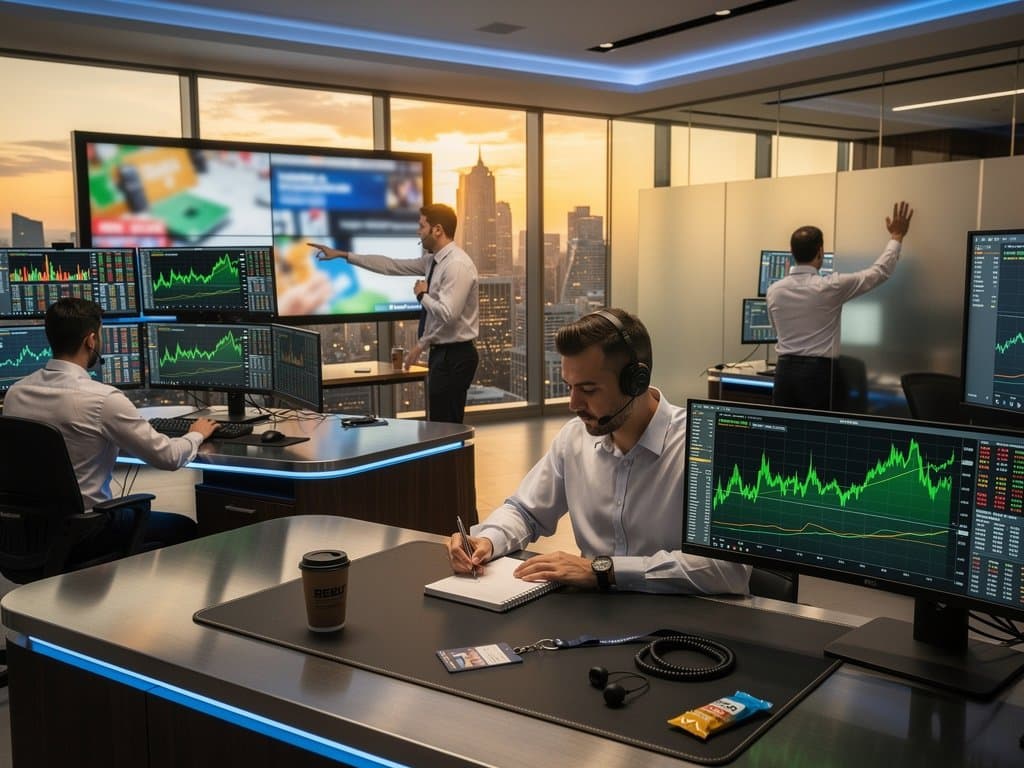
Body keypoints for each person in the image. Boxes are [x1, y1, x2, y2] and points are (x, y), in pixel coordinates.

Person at [446, 308, 750, 594]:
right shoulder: (574, 439)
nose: (573, 404)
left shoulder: (702, 447)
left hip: (683, 624)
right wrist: (488, 539)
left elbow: (729, 569)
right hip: (594, 617)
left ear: (636, 382)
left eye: (588, 390)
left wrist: (605, 571)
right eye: (569, 387)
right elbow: (525, 511)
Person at [4, 297, 218, 557]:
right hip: (88, 531)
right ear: (91, 340)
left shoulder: (16, 392)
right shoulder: (102, 399)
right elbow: (168, 457)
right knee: (183, 527)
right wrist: (196, 433)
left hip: (27, 534)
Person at [309, 203, 479, 423]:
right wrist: (343, 255)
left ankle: (455, 458)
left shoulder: (457, 265)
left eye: (422, 226)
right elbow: (389, 266)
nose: (418, 231)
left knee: (448, 425)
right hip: (442, 354)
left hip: (456, 356)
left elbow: (448, 314)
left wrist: (422, 296)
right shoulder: (433, 262)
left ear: (437, 229)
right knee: (440, 423)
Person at [766, 201, 914, 411]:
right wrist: (896, 237)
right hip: (818, 375)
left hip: (784, 374)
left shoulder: (774, 290)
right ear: (820, 251)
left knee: (786, 433)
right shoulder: (830, 287)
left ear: (792, 251)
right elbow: (879, 272)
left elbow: (777, 330)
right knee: (820, 435)